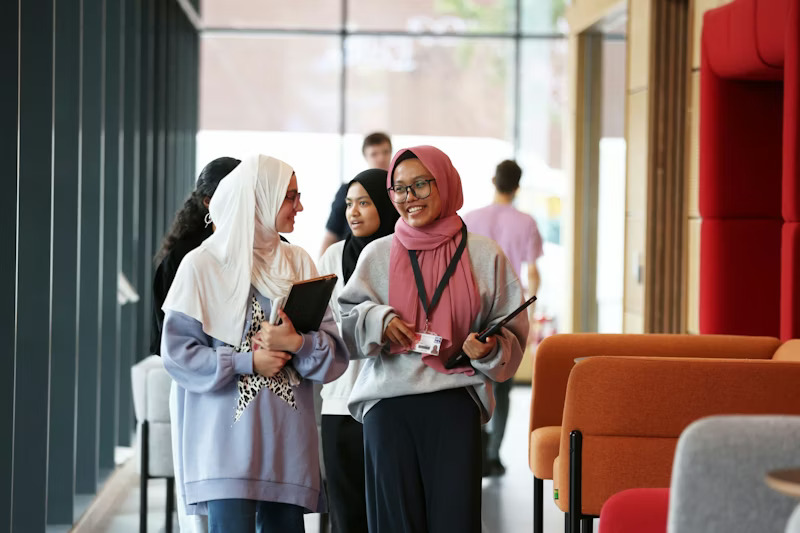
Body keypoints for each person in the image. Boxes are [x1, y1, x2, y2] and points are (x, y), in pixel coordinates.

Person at [338, 146, 529, 533]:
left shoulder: (483, 255)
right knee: (395, 523)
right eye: (399, 188)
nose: (409, 197)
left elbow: (511, 329)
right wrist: (377, 320)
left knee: (454, 521)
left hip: (455, 401)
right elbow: (344, 325)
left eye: (421, 185)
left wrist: (489, 349)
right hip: (388, 404)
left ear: (444, 183)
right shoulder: (377, 254)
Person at [161, 154, 349, 533]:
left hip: (286, 450)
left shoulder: (297, 263)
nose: (299, 206)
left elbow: (334, 357)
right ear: (259, 197)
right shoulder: (203, 265)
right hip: (224, 452)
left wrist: (297, 342)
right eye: (289, 196)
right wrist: (247, 362)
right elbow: (179, 355)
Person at [316, 169, 399, 533]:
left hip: (389, 401)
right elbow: (318, 323)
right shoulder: (331, 257)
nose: (353, 212)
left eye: (364, 203)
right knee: (345, 515)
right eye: (349, 204)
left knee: (388, 512)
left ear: (385, 204)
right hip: (339, 401)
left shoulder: (400, 255)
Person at [463, 159, 544, 477]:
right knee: (502, 381)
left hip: (471, 308)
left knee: (470, 378)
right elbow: (533, 273)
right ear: (517, 187)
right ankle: (493, 454)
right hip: (507, 311)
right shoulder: (526, 222)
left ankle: (475, 447)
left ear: (493, 181)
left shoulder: (470, 218)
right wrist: (530, 315)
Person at [151, 156, 242, 356]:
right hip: (201, 368)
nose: (245, 204)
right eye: (235, 195)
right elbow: (169, 343)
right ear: (208, 202)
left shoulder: (275, 248)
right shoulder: (185, 258)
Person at [319, 132, 393, 256]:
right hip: (351, 255)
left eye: (385, 152)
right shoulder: (348, 190)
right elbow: (331, 234)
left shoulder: (398, 190)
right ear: (365, 157)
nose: (381, 158)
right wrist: (323, 264)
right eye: (374, 154)